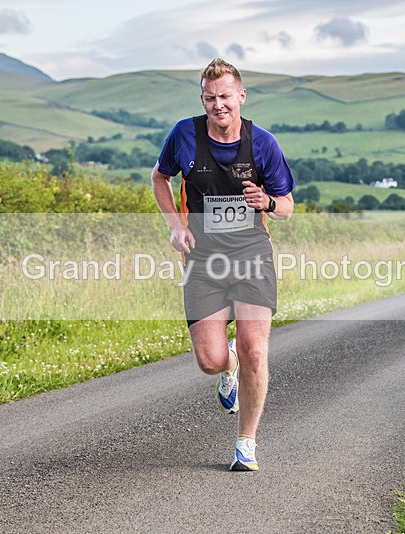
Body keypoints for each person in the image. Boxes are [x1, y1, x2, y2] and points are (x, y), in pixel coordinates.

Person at [150, 58, 295, 471]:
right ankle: (225, 365)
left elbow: (287, 206)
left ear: (241, 96)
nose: (219, 105)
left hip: (252, 256)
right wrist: (176, 225)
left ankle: (245, 443)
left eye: (226, 96)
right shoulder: (184, 135)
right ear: (203, 99)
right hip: (203, 260)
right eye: (211, 98)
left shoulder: (262, 143)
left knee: (255, 351)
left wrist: (266, 201)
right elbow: (159, 177)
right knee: (210, 360)